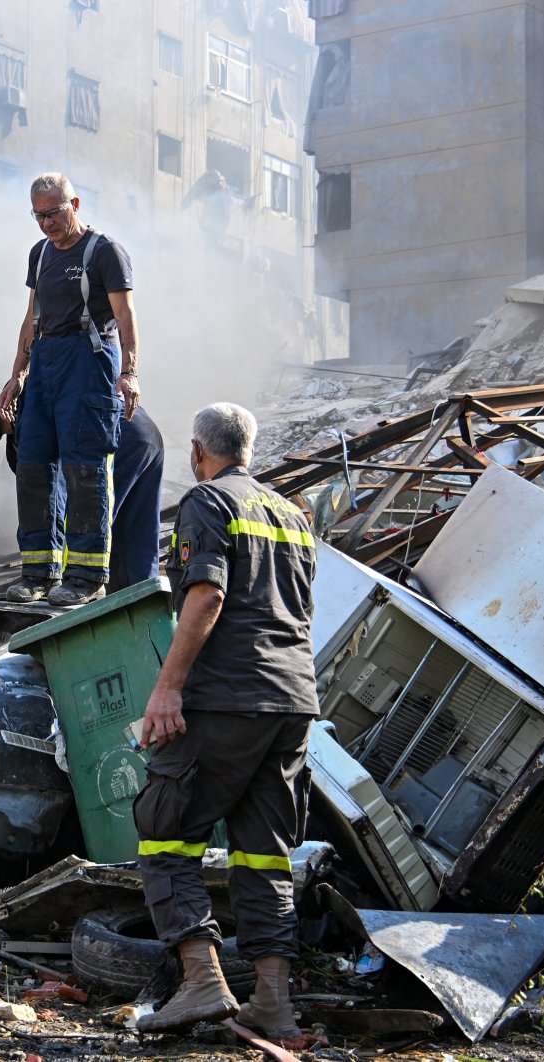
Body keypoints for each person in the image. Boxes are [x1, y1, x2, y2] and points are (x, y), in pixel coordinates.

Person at [132, 402, 318, 1039]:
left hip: (225, 698)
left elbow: (206, 594)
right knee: (265, 852)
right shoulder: (294, 514)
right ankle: (273, 1003)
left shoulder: (208, 503)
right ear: (251, 449)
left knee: (165, 830)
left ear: (196, 452)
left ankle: (202, 980)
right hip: (291, 702)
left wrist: (167, 688)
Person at [0, 172, 142, 606]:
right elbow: (31, 318)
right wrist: (17, 375)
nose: (46, 224)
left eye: (54, 213)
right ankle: (38, 572)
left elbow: (126, 316)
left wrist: (130, 372)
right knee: (33, 464)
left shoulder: (105, 252)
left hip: (89, 363)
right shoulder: (40, 255)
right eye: (38, 216)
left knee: (85, 467)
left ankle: (86, 576)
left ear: (74, 205)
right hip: (44, 366)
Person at [0, 384, 164, 594]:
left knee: (89, 521)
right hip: (143, 432)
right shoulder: (15, 449)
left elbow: (53, 501)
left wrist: (49, 578)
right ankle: (145, 605)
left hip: (116, 437)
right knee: (133, 534)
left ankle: (77, 584)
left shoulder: (30, 413)